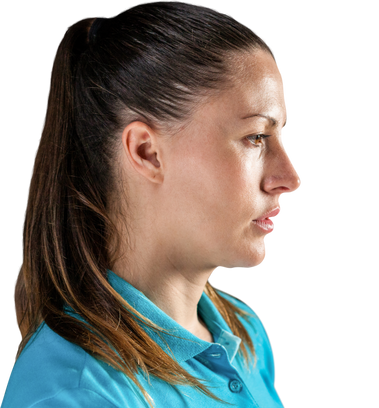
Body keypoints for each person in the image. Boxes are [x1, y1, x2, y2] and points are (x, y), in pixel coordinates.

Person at [1, 1, 302, 407]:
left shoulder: (245, 334)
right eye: (255, 138)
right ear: (147, 152)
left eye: (280, 134)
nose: (291, 179)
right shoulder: (75, 393)